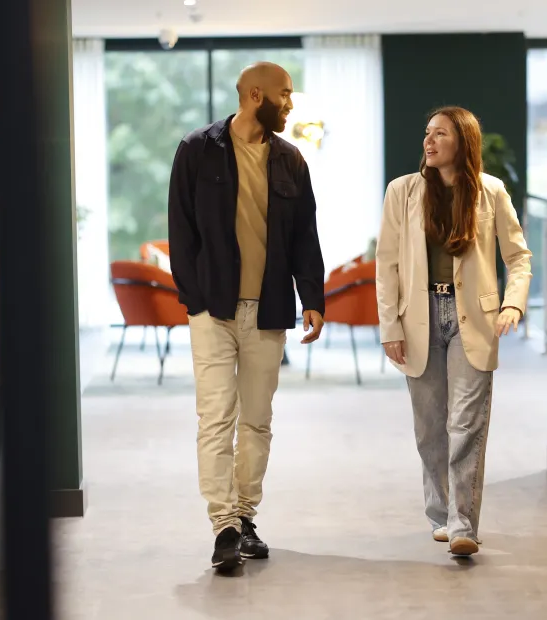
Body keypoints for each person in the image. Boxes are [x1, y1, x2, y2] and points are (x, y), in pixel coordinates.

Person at [168, 62, 326, 572]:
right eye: (285, 94)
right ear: (256, 95)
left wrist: (314, 299)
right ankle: (224, 528)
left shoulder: (291, 160)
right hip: (212, 310)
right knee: (215, 419)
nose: (290, 103)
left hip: (269, 310)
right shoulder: (197, 149)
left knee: (257, 421)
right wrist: (194, 299)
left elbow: (305, 236)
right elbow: (181, 230)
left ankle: (244, 516)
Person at [375, 106, 532, 557]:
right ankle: (441, 515)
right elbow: (387, 266)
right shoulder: (401, 192)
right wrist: (389, 325)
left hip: (474, 320)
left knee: (466, 423)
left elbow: (518, 257)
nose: (429, 140)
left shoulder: (490, 192)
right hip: (418, 316)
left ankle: (464, 523)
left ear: (462, 142)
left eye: (440, 134)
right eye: (427, 133)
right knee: (430, 429)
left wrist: (513, 303)